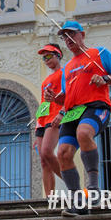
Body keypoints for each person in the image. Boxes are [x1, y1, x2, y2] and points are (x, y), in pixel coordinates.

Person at [44, 20, 111, 216]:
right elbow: (66, 97)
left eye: (71, 34)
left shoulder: (99, 53)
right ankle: (78, 202)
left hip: (96, 107)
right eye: (64, 37)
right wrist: (54, 99)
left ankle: (93, 188)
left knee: (83, 133)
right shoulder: (67, 68)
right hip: (72, 113)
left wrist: (104, 79)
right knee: (63, 153)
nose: (68, 39)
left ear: (82, 34)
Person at [33, 43, 65, 196]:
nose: (46, 60)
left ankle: (72, 183)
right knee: (44, 162)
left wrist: (63, 112)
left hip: (56, 118)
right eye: (44, 58)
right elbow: (43, 104)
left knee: (47, 152)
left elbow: (71, 95)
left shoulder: (65, 73)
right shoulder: (46, 81)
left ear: (58, 55)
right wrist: (37, 125)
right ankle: (49, 198)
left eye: (49, 56)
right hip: (43, 122)